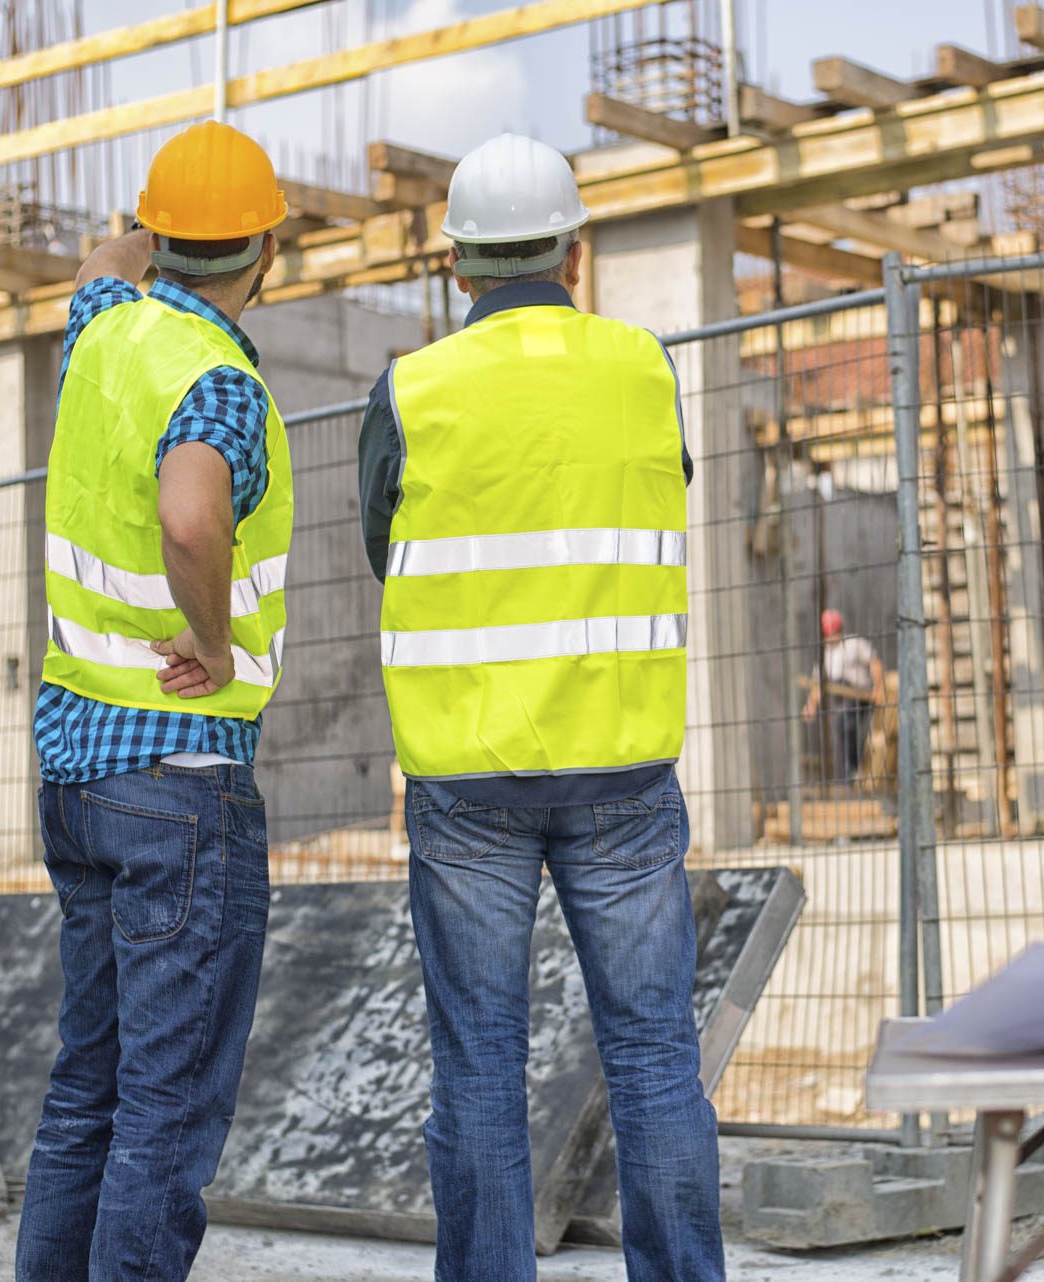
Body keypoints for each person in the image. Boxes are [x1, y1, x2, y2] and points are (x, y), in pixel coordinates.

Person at [358, 133, 720, 1282]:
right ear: (576, 247)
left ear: (456, 264)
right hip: (620, 765)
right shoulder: (642, 367)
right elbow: (663, 493)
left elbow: (387, 548)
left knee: (479, 1068)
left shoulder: (412, 387)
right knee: (656, 1058)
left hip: (467, 777)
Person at [15, 120, 293, 1282]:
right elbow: (192, 516)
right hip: (178, 781)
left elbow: (94, 273)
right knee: (165, 1115)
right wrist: (216, 641)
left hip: (77, 771)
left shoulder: (104, 332)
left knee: (88, 1086)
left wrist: (134, 240)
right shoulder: (217, 380)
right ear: (268, 252)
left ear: (162, 237)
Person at [802, 608, 885, 783]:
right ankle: (846, 776)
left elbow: (874, 663)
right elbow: (818, 685)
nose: (832, 637)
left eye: (835, 633)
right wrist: (811, 705)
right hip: (840, 701)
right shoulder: (826, 655)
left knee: (848, 725)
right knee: (841, 731)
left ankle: (853, 771)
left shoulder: (854, 644)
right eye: (829, 634)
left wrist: (879, 688)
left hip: (860, 697)